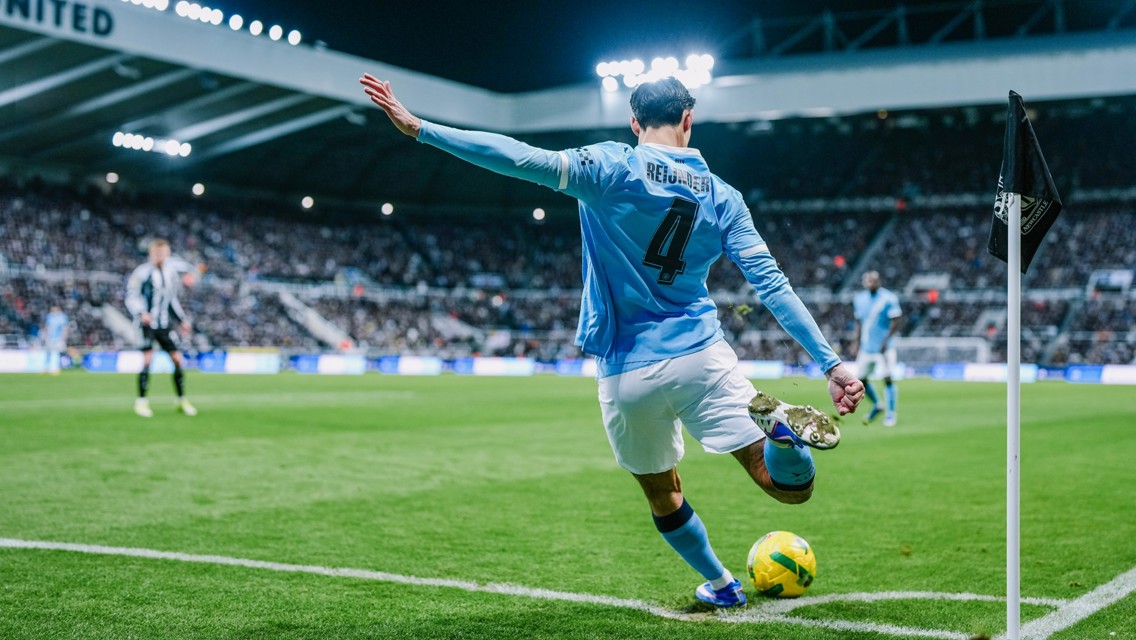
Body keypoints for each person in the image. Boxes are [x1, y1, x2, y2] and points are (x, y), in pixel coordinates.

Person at [359, 74, 863, 607]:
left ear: (634, 123)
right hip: (702, 357)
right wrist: (832, 365)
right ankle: (782, 436)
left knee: (663, 492)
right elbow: (771, 284)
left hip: (628, 370)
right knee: (788, 486)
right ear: (688, 121)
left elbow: (516, 157)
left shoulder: (611, 165)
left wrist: (420, 129)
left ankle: (721, 585)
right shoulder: (723, 197)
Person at [125, 239, 196, 418]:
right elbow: (130, 297)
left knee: (178, 359)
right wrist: (142, 312)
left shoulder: (170, 273)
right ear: (151, 254)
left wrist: (182, 320)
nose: (161, 256)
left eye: (164, 253)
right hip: (146, 324)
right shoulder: (141, 273)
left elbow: (172, 300)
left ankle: (181, 400)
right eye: (157, 253)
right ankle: (141, 402)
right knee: (148, 359)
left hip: (164, 324)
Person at [852, 271, 902, 427]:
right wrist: (856, 342)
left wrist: (886, 341)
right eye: (868, 280)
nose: (871, 283)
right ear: (864, 282)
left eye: (873, 280)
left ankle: (891, 414)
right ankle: (878, 404)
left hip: (884, 349)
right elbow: (859, 323)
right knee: (861, 381)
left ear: (879, 281)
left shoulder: (888, 298)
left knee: (887, 379)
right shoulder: (859, 299)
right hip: (866, 348)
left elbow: (896, 320)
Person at [43, 305, 68, 375]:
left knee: (58, 354)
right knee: (48, 353)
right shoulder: (49, 316)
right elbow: (47, 327)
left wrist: (63, 338)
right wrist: (45, 336)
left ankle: (57, 368)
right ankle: (46, 368)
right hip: (50, 338)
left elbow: (65, 328)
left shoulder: (62, 317)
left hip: (58, 339)